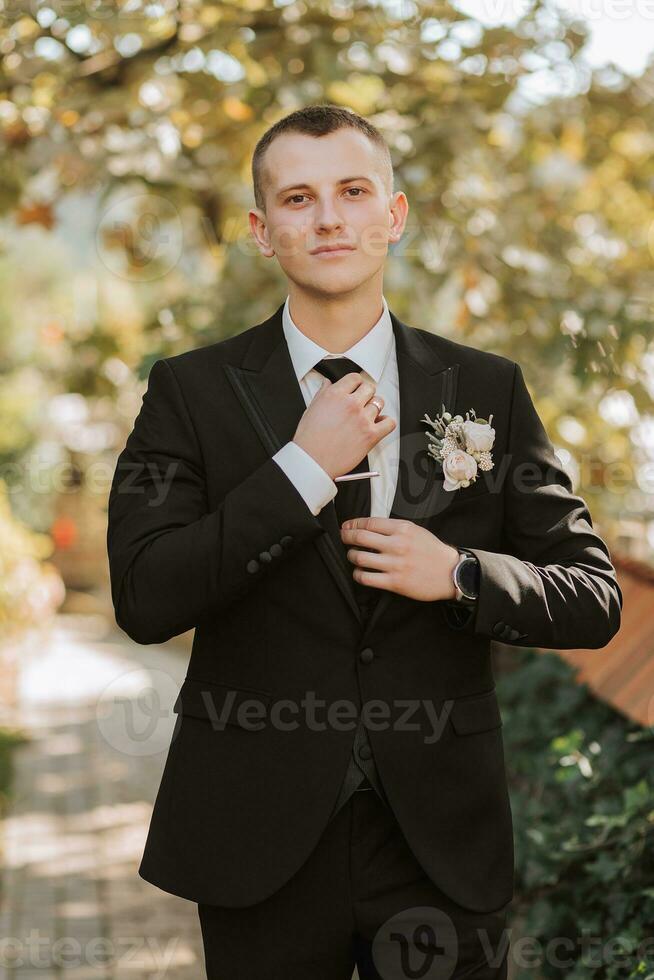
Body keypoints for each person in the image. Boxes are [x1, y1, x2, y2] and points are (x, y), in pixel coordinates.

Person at [106, 104, 623, 980]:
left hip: (438, 843)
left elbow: (594, 597)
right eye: (298, 199)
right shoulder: (187, 393)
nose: (330, 217)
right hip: (257, 837)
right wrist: (304, 468)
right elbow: (146, 597)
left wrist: (458, 574)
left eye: (353, 191)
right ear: (262, 232)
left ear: (395, 214)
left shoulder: (487, 388)